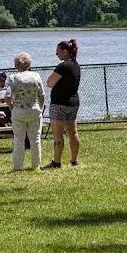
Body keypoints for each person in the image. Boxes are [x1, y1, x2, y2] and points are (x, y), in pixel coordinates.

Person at [4, 53, 44, 172]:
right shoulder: (36, 76)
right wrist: (39, 107)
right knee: (36, 139)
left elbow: (7, 96)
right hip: (34, 109)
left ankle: (17, 167)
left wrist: (12, 107)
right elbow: (42, 95)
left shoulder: (13, 78)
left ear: (16, 64)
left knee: (18, 139)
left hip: (18, 111)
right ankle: (36, 166)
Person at [45, 39, 81, 169]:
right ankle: (74, 160)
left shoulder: (63, 66)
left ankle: (57, 162)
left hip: (59, 103)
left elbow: (49, 82)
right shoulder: (76, 65)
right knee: (73, 132)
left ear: (65, 51)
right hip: (73, 102)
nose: (56, 54)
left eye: (58, 51)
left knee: (58, 135)